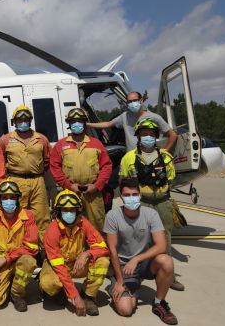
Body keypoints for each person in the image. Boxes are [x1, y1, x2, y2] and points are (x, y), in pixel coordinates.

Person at [119, 118, 184, 291]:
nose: (147, 137)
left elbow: (170, 179)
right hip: (142, 202)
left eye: (151, 134)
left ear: (156, 136)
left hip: (162, 202)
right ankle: (137, 273)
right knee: (139, 238)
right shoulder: (129, 158)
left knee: (165, 237)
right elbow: (124, 181)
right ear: (138, 136)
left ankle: (168, 275)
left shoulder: (166, 157)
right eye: (143, 134)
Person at [104, 178, 178, 325]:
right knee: (126, 310)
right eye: (127, 195)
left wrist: (137, 259)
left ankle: (159, 303)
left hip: (143, 264)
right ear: (121, 197)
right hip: (123, 268)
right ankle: (126, 288)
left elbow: (161, 246)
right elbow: (112, 250)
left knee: (166, 261)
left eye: (134, 194)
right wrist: (119, 281)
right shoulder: (112, 216)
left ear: (140, 195)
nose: (131, 198)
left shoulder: (151, 214)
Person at [39, 189, 110, 317]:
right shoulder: (52, 231)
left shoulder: (84, 224)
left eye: (72, 210)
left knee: (103, 261)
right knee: (48, 283)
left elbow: (103, 247)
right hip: (57, 266)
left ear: (77, 210)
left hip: (77, 264)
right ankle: (58, 291)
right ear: (58, 211)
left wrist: (87, 253)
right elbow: (59, 267)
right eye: (65, 210)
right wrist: (74, 296)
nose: (69, 213)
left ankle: (88, 296)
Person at [0, 179, 39, 312]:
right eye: (5, 197)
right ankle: (7, 283)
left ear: (18, 198)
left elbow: (32, 248)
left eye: (12, 197)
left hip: (17, 260)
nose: (9, 200)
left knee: (29, 261)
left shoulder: (28, 216)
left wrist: (6, 259)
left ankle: (17, 293)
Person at [50, 107, 112, 232]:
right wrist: (68, 185)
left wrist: (97, 186)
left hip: (93, 193)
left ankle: (100, 250)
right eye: (73, 122)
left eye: (79, 121)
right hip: (71, 192)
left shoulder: (96, 143)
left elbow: (106, 166)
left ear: (84, 123)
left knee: (97, 226)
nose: (76, 124)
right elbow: (55, 167)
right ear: (69, 124)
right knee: (70, 226)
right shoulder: (61, 145)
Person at [0, 105, 51, 237]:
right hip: (16, 181)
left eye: (26, 119)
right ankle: (19, 246)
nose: (23, 122)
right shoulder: (5, 140)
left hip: (37, 181)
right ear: (14, 122)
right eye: (19, 120)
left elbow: (47, 160)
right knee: (16, 215)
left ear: (30, 120)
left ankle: (43, 251)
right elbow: (1, 161)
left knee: (42, 216)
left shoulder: (41, 139)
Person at [87, 91, 178, 153]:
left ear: (141, 100)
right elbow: (107, 124)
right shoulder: (125, 116)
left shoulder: (154, 117)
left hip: (149, 157)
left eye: (135, 100)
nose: (132, 103)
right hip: (131, 158)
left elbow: (173, 135)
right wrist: (86, 124)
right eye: (129, 101)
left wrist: (164, 152)